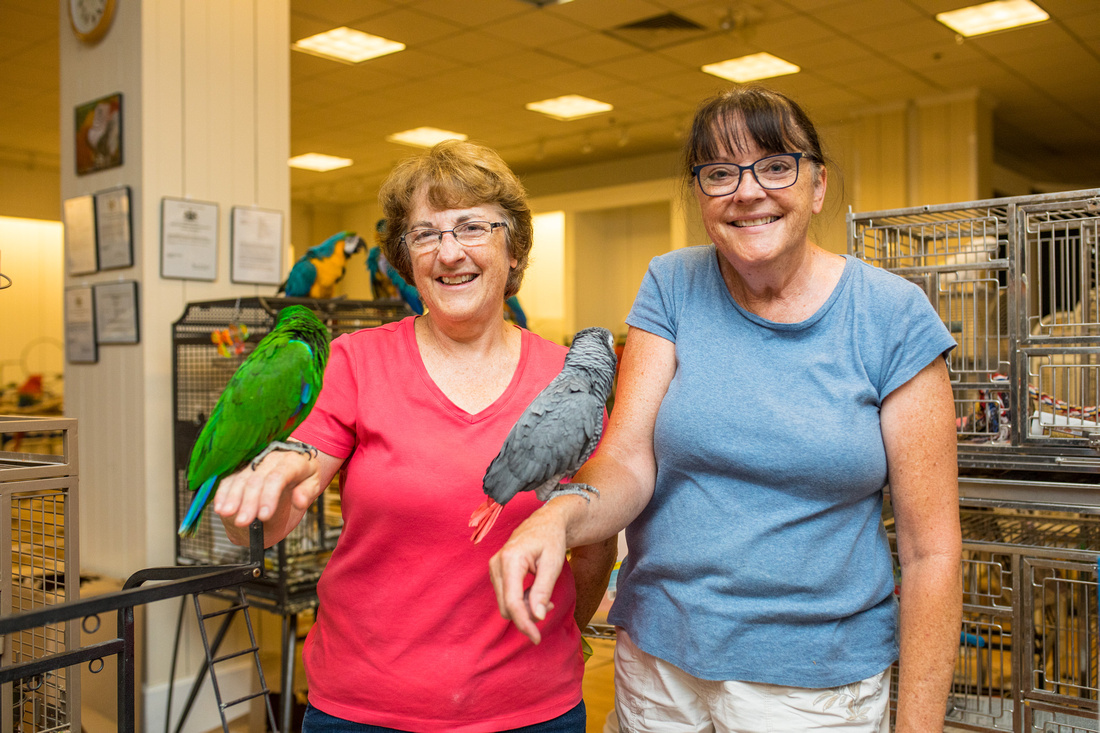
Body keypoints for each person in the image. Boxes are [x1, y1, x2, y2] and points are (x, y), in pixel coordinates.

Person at [490, 85, 962, 733]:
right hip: (659, 670)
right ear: (700, 196)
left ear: (817, 186)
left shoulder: (891, 314)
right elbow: (627, 459)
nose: (747, 190)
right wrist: (560, 517)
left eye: (775, 165)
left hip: (815, 689)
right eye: (719, 173)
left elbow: (931, 550)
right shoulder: (671, 283)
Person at [213, 140, 617, 733]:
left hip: (531, 709)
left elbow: (595, 544)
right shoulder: (355, 361)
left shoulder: (571, 381)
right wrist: (253, 498)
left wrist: (562, 639)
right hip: (363, 708)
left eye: (472, 227)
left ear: (514, 248)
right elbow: (275, 514)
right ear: (406, 260)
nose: (449, 252)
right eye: (425, 234)